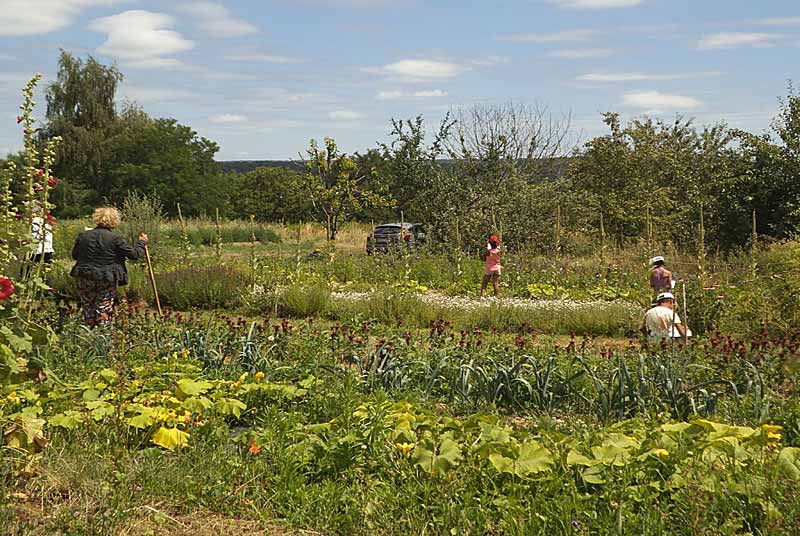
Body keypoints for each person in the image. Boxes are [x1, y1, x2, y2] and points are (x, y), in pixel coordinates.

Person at [70, 207, 148, 327]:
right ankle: (102, 336)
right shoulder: (115, 238)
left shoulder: (83, 236)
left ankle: (88, 333)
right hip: (106, 277)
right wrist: (141, 243)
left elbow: (75, 255)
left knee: (88, 306)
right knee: (104, 306)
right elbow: (134, 254)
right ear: (114, 221)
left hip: (85, 275)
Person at [21, 208, 55, 278]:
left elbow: (32, 238)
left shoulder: (33, 222)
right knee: (45, 274)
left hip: (35, 251)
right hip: (47, 250)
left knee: (24, 273)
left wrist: (23, 241)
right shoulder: (47, 222)